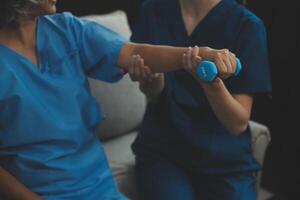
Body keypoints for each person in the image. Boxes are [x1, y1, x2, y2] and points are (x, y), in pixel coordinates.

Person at [0, 0, 238, 199]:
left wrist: (199, 55)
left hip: (99, 187)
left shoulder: (66, 29)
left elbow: (134, 52)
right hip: (42, 193)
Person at [128, 0, 272, 199]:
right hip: (164, 151)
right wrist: (150, 81)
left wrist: (212, 85)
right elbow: (154, 96)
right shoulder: (153, 9)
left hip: (224, 158)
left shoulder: (247, 26)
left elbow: (237, 124)